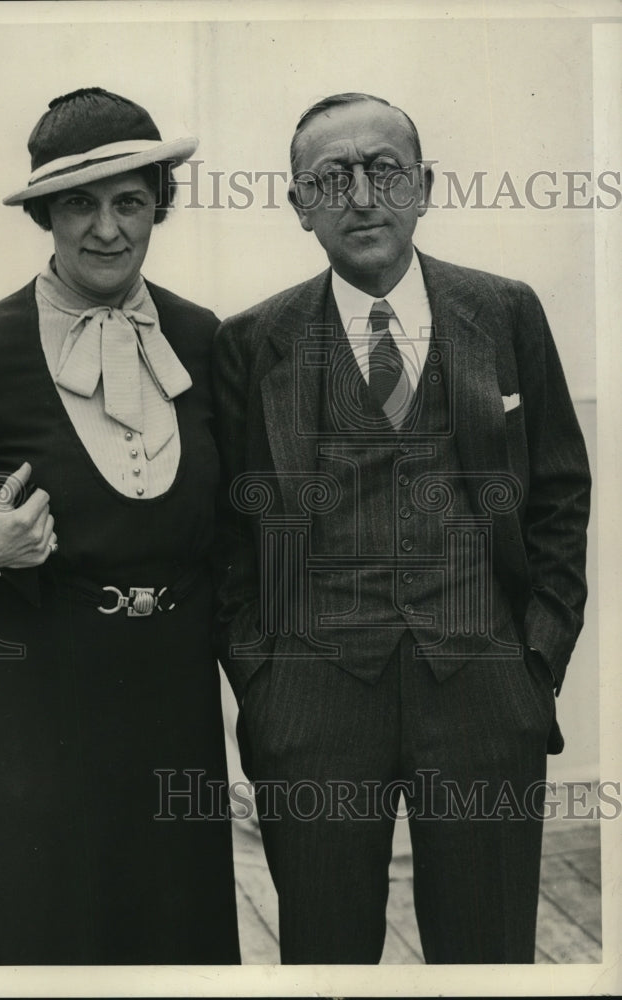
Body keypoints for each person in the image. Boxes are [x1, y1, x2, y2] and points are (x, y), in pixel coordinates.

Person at [212, 92, 591, 964]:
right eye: (331, 178)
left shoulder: (503, 312)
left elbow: (561, 496)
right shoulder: (253, 340)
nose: (361, 195)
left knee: (488, 955)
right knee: (326, 956)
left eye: (384, 170)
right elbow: (234, 531)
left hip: (486, 693)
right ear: (298, 204)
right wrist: (263, 679)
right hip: (312, 701)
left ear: (424, 185)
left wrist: (536, 658)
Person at [0, 87, 240, 966]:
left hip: (171, 686)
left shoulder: (203, 341)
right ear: (46, 214)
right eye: (80, 205)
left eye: (130, 202)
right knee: (45, 922)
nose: (106, 229)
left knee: (170, 924)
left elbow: (239, 520)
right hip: (38, 688)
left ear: (157, 207)